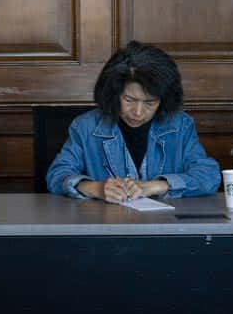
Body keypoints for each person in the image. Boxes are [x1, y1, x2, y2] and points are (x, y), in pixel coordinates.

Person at [46, 41, 220, 202]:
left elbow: (209, 176)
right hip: (105, 227)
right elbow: (57, 175)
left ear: (164, 101)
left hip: (166, 228)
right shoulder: (86, 126)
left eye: (149, 103)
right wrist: (95, 188)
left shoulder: (180, 125)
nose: (137, 112)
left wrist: (157, 186)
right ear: (114, 94)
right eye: (129, 100)